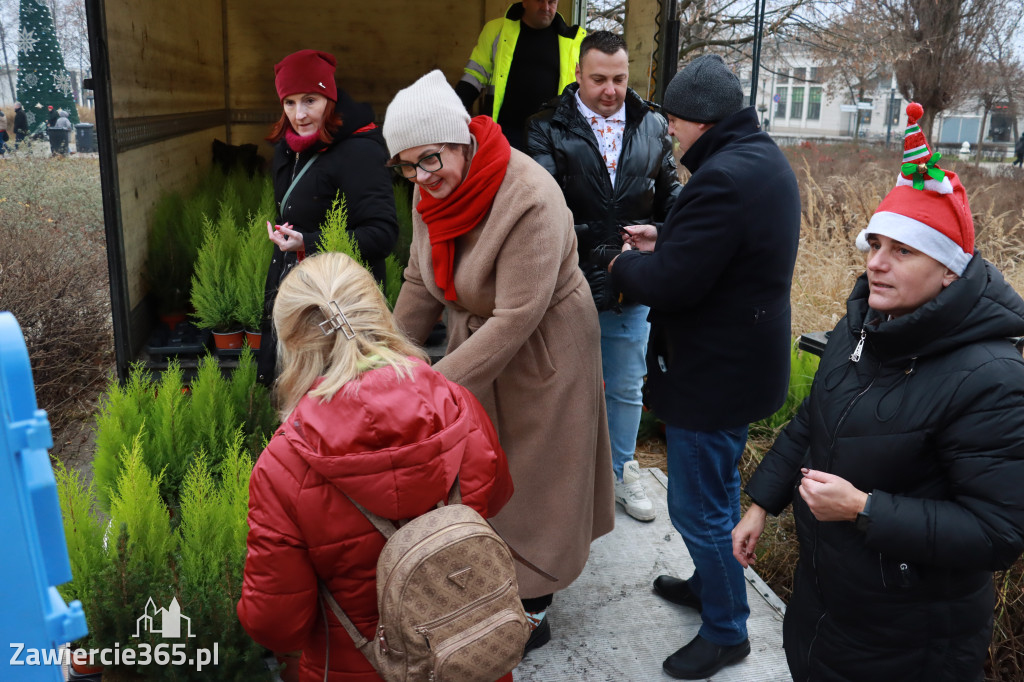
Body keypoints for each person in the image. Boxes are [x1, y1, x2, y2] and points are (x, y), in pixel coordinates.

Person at [732, 103, 1024, 682]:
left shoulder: (992, 377)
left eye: (902, 251)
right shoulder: (862, 326)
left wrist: (864, 510)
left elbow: (998, 533)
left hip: (911, 639)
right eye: (874, 246)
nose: (876, 266)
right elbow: (814, 419)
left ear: (949, 271)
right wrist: (762, 502)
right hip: (829, 606)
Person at [383, 69, 614, 655]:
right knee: (485, 467)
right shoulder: (427, 189)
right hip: (479, 340)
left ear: (460, 140)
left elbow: (515, 318)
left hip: (545, 348)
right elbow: (419, 281)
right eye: (408, 166)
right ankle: (490, 572)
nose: (421, 178)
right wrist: (385, 365)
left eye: (431, 160)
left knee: (539, 476)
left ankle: (536, 602)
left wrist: (426, 386)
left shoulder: (529, 195)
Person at [608, 54, 801, 679]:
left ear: (699, 119)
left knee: (699, 509)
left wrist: (624, 266)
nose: (669, 132)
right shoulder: (760, 159)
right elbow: (727, 250)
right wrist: (669, 235)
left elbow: (676, 284)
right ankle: (708, 583)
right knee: (715, 492)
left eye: (673, 122)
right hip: (744, 364)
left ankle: (726, 629)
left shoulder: (722, 176)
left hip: (711, 375)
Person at [237, 252, 514, 682]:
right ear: (379, 313)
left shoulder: (283, 465)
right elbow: (495, 499)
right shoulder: (457, 404)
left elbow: (277, 625)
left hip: (358, 667)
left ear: (292, 342)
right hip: (468, 660)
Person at [526, 30, 681, 523]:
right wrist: (597, 250)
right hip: (567, 281)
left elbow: (673, 199)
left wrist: (657, 232)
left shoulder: (653, 125)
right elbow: (542, 208)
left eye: (618, 79)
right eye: (598, 79)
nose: (610, 90)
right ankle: (567, 479)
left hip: (633, 282)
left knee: (627, 383)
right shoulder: (545, 127)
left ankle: (621, 469)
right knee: (564, 384)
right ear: (578, 75)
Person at [256, 49, 399, 386]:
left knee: (336, 396)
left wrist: (308, 241)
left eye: (309, 100)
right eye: (289, 102)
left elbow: (383, 234)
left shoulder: (360, 150)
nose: (299, 114)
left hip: (342, 306)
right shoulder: (287, 149)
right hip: (296, 289)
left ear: (330, 99)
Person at [455, 0, 585, 150]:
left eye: (551, 2)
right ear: (525, 2)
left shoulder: (574, 41)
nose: (546, 7)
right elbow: (475, 76)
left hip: (550, 138)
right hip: (503, 132)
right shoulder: (496, 30)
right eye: (540, 1)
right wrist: (452, 112)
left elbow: (585, 89)